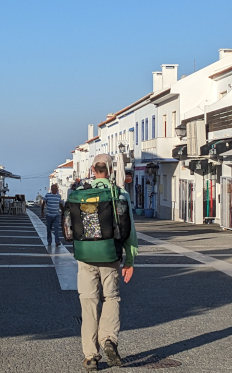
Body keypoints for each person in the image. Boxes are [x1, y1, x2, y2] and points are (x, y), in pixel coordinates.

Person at [73, 154, 138, 371]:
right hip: (110, 254)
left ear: (92, 169)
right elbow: (130, 230)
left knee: (89, 302)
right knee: (111, 297)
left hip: (85, 255)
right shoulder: (119, 194)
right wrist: (129, 259)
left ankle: (91, 355)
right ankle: (109, 338)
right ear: (110, 171)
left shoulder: (80, 193)